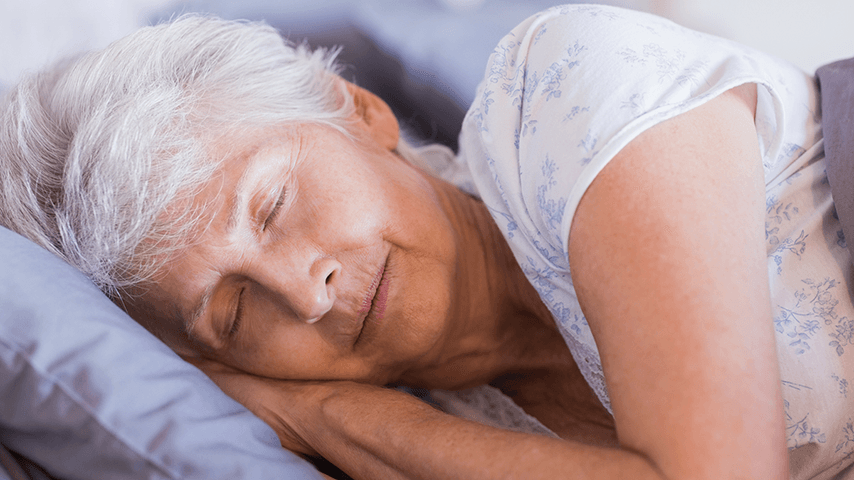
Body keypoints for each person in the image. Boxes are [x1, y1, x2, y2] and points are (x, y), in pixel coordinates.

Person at [0, 4, 849, 479]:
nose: (306, 289)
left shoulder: (569, 92)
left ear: (361, 113)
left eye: (272, 206)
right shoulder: (446, 431)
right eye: (232, 310)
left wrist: (327, 413)